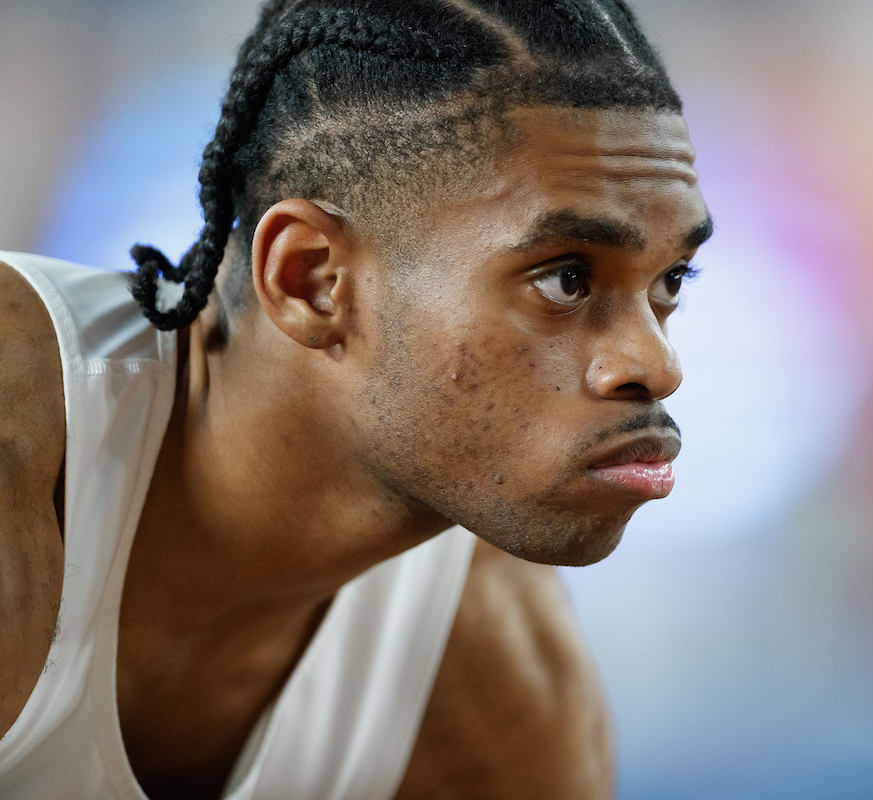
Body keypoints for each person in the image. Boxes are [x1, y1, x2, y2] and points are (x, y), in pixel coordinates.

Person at [0, 0, 711, 796]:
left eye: (670, 281)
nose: (657, 365)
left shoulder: (489, 663)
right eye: (566, 279)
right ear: (311, 280)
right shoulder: (19, 429)